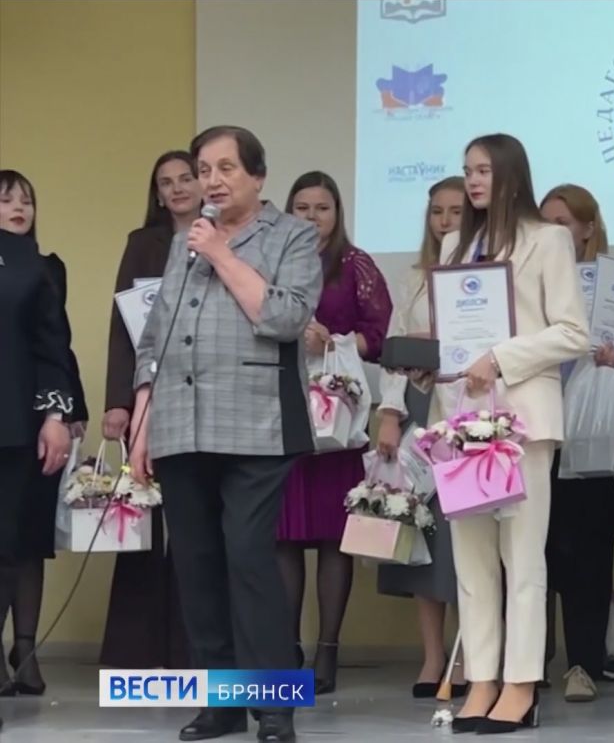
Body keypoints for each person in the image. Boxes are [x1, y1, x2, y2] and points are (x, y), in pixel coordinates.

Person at [129, 125, 322, 743]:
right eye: (203, 170)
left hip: (258, 425)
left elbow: (286, 317)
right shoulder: (183, 240)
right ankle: (222, 701)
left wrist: (221, 254)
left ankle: (274, 704)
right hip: (180, 423)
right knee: (196, 563)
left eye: (225, 169)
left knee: (247, 556)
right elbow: (156, 334)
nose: (211, 181)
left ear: (257, 176)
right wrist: (142, 419)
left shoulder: (292, 235)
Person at [441, 133, 590, 735]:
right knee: (471, 562)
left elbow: (573, 333)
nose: (473, 181)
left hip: (524, 419)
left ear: (511, 176)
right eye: (467, 170)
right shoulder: (455, 244)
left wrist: (500, 358)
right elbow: (451, 332)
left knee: (522, 558)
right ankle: (482, 679)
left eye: (483, 170)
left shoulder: (549, 239)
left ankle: (522, 683)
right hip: (461, 420)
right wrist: (433, 362)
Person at [539, 183, 614, 702]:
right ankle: (530, 663)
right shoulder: (530, 284)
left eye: (562, 223)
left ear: (588, 228)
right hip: (539, 433)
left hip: (595, 435)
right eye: (545, 223)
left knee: (587, 554)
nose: (553, 232)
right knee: (538, 551)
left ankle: (583, 664)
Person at [276, 170, 392, 694]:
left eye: (322, 208)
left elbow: (379, 335)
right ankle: (286, 647)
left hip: (338, 419)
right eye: (302, 207)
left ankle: (328, 650)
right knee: (283, 535)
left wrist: (334, 341)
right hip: (281, 411)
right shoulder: (271, 260)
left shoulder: (355, 264)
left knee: (331, 537)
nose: (312, 217)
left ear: (337, 213)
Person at [99, 150, 201, 671]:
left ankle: (190, 649)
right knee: (143, 525)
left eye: (186, 178)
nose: (177, 188)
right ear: (157, 193)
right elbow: (123, 328)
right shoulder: (143, 244)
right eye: (167, 182)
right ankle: (135, 651)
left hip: (202, 397)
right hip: (146, 396)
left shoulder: (224, 238)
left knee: (194, 525)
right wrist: (118, 402)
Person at [376, 175, 468, 699]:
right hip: (417, 409)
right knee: (424, 540)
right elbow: (394, 350)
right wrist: (390, 414)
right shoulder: (413, 277)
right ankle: (433, 657)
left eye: (456, 211)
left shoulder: (487, 275)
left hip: (466, 412)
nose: (445, 221)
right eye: (437, 211)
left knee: (466, 539)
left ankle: (470, 655)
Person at [0, 169, 88, 697]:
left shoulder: (41, 267)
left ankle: (25, 650)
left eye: (26, 200)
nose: (18, 207)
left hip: (23, 423)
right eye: (5, 199)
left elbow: (55, 346)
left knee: (22, 540)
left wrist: (61, 413)